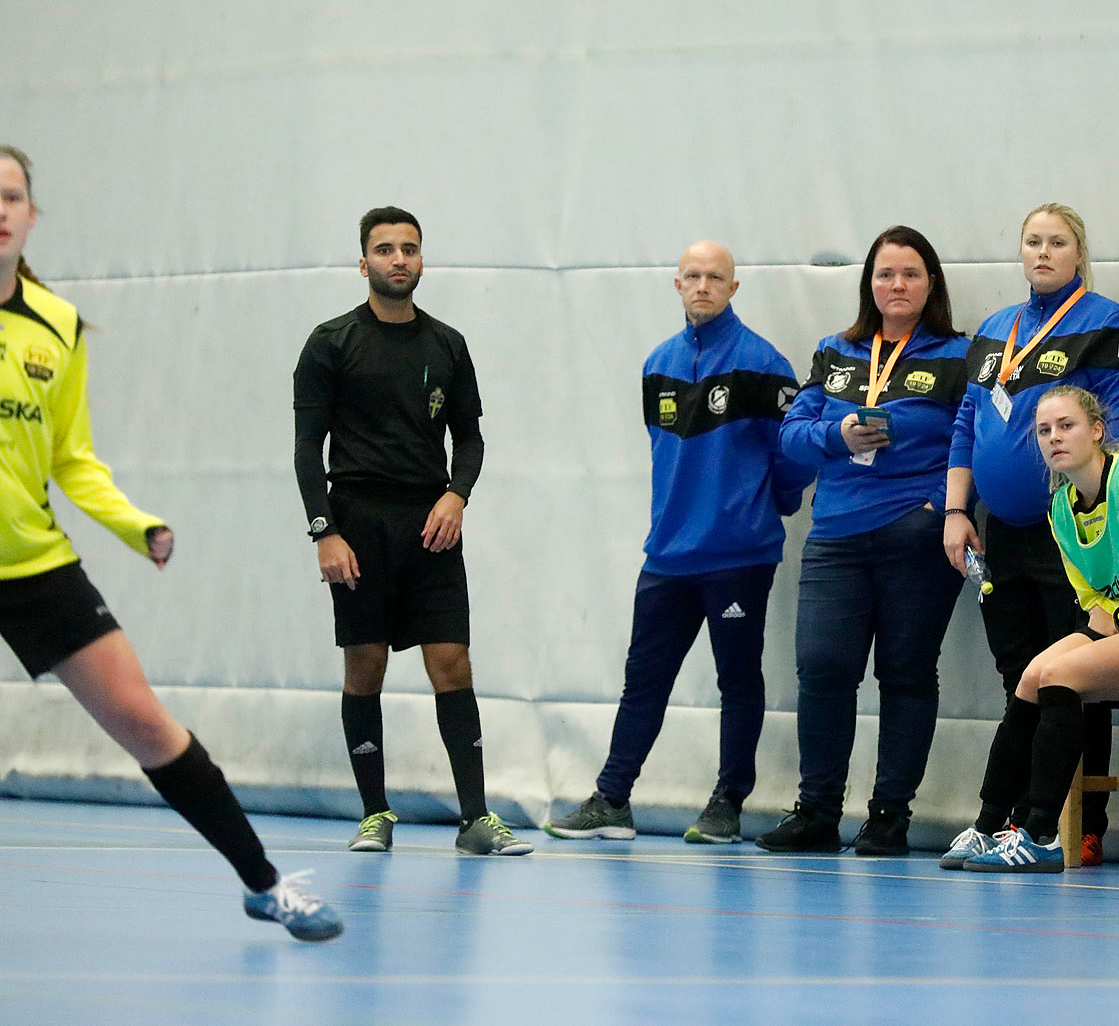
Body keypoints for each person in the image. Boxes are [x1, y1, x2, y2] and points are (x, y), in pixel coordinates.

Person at [0, 146, 341, 940]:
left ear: (32, 215)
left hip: (32, 565)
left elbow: (70, 458)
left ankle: (264, 884)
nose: (0, 209)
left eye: (12, 195)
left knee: (147, 724)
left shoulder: (58, 326)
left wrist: (135, 524)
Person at [545, 241, 808, 845]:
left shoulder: (764, 364)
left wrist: (773, 504)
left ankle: (727, 803)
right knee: (645, 679)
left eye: (715, 277)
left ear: (734, 288)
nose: (703, 286)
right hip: (666, 556)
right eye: (692, 276)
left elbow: (791, 454)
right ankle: (612, 798)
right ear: (676, 284)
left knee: (737, 679)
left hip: (739, 556)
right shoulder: (656, 364)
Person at [293, 206, 530, 856]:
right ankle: (375, 813)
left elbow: (472, 439)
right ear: (363, 261)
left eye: (410, 249)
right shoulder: (330, 342)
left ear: (421, 259)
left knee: (451, 662)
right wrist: (325, 532)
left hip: (432, 527)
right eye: (386, 249)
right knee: (364, 664)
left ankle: (475, 820)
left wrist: (456, 495)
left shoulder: (447, 344)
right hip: (358, 524)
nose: (399, 259)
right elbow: (307, 448)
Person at [940, 386, 1119, 873]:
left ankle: (1040, 835)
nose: (1054, 438)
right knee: (1032, 677)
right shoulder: (1060, 506)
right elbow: (1089, 598)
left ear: (1097, 431)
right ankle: (989, 824)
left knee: (1063, 679)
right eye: (1043, 431)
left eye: (1066, 425)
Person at [941, 203, 1119, 865]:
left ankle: (1083, 823)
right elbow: (966, 423)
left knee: (1077, 677)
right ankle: (1017, 823)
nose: (1042, 253)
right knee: (1020, 677)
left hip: (1073, 537)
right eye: (1032, 241)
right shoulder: (997, 330)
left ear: (1079, 253)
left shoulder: (1107, 326)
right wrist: (956, 511)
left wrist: (1095, 516)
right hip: (1000, 533)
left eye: (1057, 242)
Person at [754, 226, 968, 855]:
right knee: (822, 670)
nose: (896, 285)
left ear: (931, 285)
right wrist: (834, 437)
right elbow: (790, 437)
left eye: (909, 274)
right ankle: (817, 812)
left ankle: (889, 818)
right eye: (884, 274)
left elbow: (974, 436)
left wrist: (942, 509)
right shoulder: (836, 351)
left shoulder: (960, 353)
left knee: (904, 674)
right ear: (868, 285)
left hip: (916, 532)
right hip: (837, 534)